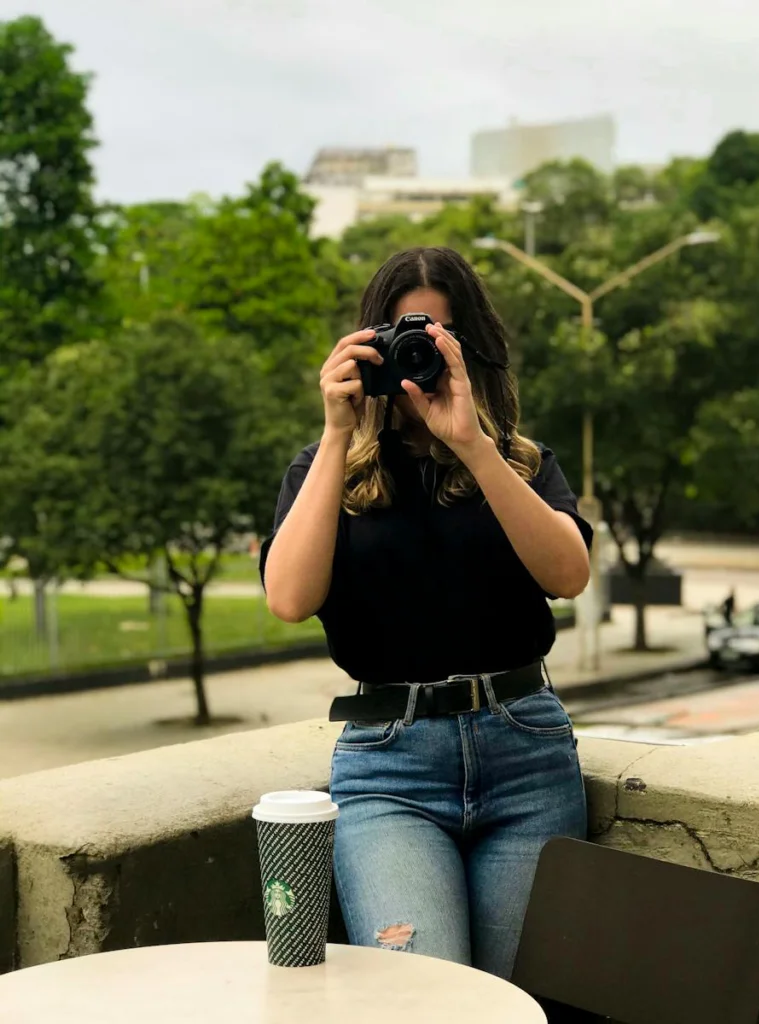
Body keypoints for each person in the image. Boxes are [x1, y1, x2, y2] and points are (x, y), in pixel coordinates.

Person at [260, 246, 591, 980]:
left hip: (526, 759)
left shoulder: (522, 463)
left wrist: (472, 444)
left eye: (439, 342)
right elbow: (288, 598)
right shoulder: (323, 470)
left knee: (519, 999)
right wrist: (339, 429)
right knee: (426, 995)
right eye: (402, 341)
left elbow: (568, 574)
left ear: (472, 353)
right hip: (388, 770)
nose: (418, 362)